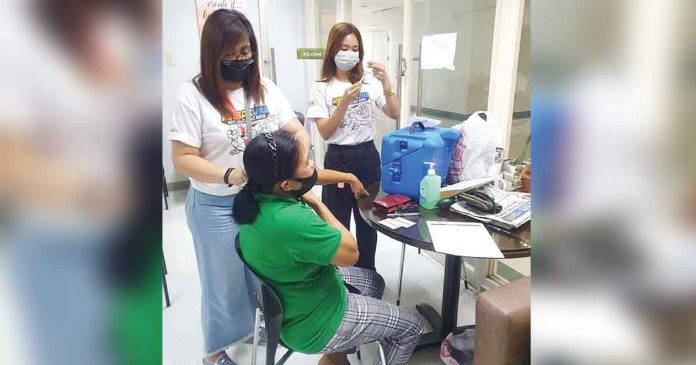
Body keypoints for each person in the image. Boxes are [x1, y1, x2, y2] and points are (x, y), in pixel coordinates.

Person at [169, 9, 367, 365]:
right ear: (211, 54)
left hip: (261, 197)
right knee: (224, 283)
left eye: (245, 52)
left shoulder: (264, 89)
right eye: (229, 55)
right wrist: (229, 174)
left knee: (263, 270)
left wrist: (300, 161)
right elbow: (182, 159)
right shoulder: (192, 95)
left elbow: (296, 131)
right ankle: (215, 353)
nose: (238, 61)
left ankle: (257, 324)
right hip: (216, 203)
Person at [234, 130, 423, 365]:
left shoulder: (256, 199)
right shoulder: (293, 220)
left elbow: (315, 176)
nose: (312, 164)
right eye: (306, 162)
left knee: (374, 282)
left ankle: (336, 357)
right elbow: (351, 253)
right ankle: (337, 343)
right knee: (412, 326)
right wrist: (319, 204)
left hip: (293, 298)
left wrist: (351, 178)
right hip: (315, 321)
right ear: (287, 184)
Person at [306, 22, 400, 271]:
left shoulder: (368, 82)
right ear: (333, 50)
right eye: (344, 47)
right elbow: (325, 132)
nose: (350, 53)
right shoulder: (321, 87)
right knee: (338, 222)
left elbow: (394, 112)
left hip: (368, 155)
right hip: (339, 158)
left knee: (369, 221)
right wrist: (344, 103)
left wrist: (387, 82)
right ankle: (342, 280)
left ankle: (368, 275)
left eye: (355, 48)